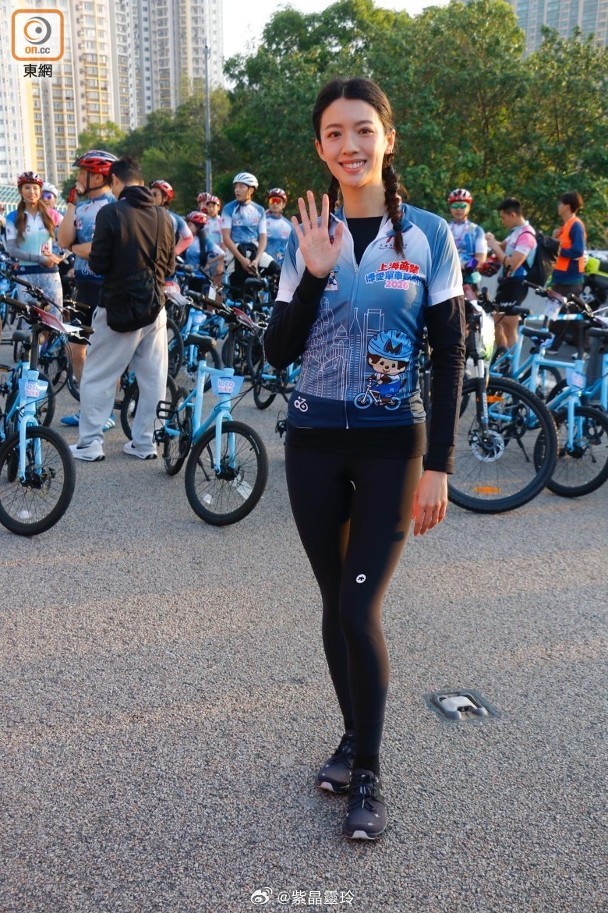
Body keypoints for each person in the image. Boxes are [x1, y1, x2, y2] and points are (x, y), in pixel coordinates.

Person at [263, 77, 465, 841]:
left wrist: (440, 463)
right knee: (332, 602)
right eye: (334, 134)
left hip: (391, 445)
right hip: (313, 439)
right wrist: (314, 274)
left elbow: (449, 354)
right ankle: (351, 737)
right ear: (321, 148)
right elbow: (278, 351)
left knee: (358, 606)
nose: (350, 145)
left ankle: (370, 771)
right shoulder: (307, 233)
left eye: (362, 129)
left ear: (388, 137)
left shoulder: (429, 237)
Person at [69, 156, 175, 462]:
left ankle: (90, 443)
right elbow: (169, 267)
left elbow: (99, 263)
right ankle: (145, 442)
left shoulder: (111, 212)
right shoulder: (164, 217)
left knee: (97, 375)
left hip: (117, 307)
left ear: (115, 180)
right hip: (155, 307)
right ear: (140, 180)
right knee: (153, 379)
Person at [57, 149, 117, 425]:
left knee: (105, 355)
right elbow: (63, 241)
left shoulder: (114, 206)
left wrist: (77, 247)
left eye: (83, 172)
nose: (79, 176)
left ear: (98, 176)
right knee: (75, 349)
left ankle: (106, 412)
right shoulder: (80, 207)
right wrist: (71, 203)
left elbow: (98, 248)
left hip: (106, 287)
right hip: (83, 287)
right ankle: (89, 408)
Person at [4, 171, 63, 318]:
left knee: (55, 321)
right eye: (27, 188)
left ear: (40, 191)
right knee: (29, 322)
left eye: (35, 188)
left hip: (50, 274)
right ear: (20, 191)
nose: (32, 192)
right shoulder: (12, 217)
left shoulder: (52, 215)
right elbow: (12, 250)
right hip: (25, 275)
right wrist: (40, 259)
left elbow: (69, 239)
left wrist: (60, 257)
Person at [485, 197, 537, 350]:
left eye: (503, 218)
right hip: (506, 284)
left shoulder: (526, 236)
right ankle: (503, 355)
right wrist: (492, 241)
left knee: (509, 326)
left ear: (513, 215)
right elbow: (503, 247)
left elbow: (512, 264)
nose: (502, 221)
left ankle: (512, 360)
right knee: (496, 322)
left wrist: (494, 246)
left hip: (517, 284)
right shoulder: (515, 232)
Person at [221, 172, 268, 278]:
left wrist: (257, 260)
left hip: (255, 249)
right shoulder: (228, 209)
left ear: (251, 190)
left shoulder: (260, 210)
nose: (237, 190)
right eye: (236, 187)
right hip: (235, 251)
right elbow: (226, 238)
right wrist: (242, 260)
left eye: (241, 186)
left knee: (277, 270)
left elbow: (263, 238)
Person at [447, 188, 487, 290]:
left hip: (469, 279)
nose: (458, 209)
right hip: (448, 278)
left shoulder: (477, 230)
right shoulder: (445, 228)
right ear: (450, 208)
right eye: (455, 206)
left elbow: (481, 257)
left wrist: (466, 267)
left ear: (469, 207)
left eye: (462, 206)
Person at [550, 191, 586, 297]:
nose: (558, 206)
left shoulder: (576, 225)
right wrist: (553, 239)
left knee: (566, 309)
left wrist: (557, 249)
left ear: (567, 206)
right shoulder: (565, 226)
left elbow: (578, 251)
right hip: (560, 278)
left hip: (570, 281)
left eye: (560, 203)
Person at [149, 180, 193, 258]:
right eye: (150, 194)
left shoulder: (175, 218)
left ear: (165, 198)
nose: (151, 197)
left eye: (154, 194)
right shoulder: (145, 213)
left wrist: (175, 252)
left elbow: (188, 238)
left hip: (164, 261)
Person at [183, 211, 224, 285]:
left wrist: (209, 263)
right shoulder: (185, 239)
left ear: (198, 227)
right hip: (185, 275)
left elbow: (221, 254)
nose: (187, 227)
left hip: (199, 277)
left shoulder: (205, 241)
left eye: (190, 225)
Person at [265, 187, 292, 266]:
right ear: (269, 203)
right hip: (264, 266)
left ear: (283, 204)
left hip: (283, 267)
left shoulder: (290, 226)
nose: (275, 204)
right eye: (272, 201)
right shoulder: (261, 222)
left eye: (278, 201)